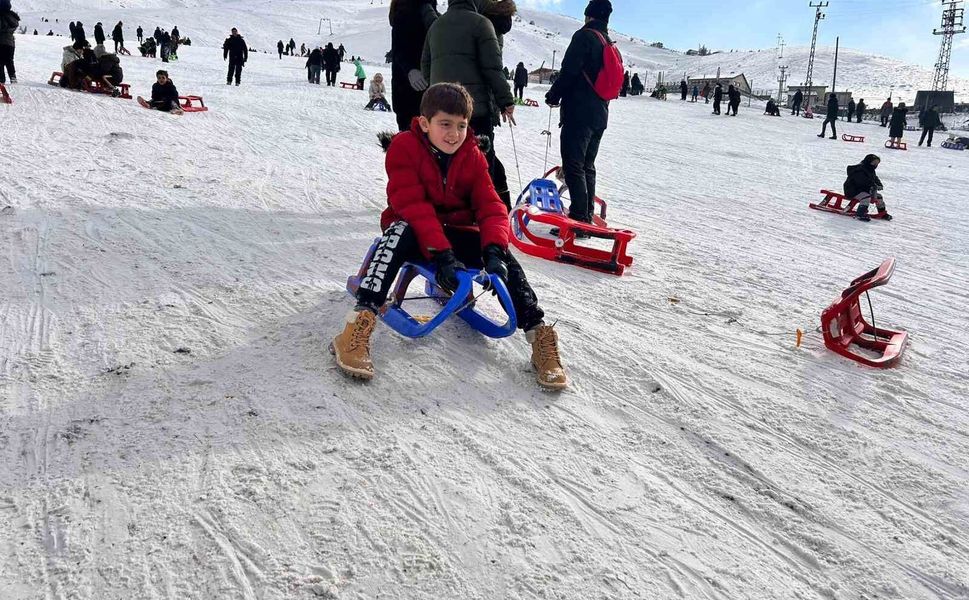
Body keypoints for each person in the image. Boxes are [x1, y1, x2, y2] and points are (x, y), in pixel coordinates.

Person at [331, 82, 568, 389]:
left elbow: (490, 204)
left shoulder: (472, 154)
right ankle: (358, 323)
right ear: (425, 123)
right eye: (445, 124)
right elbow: (413, 206)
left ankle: (538, 333)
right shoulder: (404, 148)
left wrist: (494, 249)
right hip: (415, 231)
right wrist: (442, 255)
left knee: (504, 257)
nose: (454, 134)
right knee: (398, 231)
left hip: (456, 234)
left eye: (461, 125)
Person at [422, 0, 518, 210]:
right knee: (481, 164)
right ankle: (484, 213)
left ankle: (447, 210)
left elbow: (426, 67)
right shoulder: (481, 24)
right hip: (474, 110)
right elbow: (493, 68)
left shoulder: (436, 26)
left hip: (441, 112)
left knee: (445, 160)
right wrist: (506, 101)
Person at [544, 0, 618, 226]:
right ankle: (585, 214)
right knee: (587, 164)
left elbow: (569, 71)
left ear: (588, 15)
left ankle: (578, 217)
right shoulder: (608, 42)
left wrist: (553, 95)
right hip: (600, 113)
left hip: (579, 112)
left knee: (573, 164)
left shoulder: (584, 37)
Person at [390, 0, 440, 132]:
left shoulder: (433, 14)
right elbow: (398, 50)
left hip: (429, 90)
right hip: (408, 89)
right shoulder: (404, 12)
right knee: (410, 138)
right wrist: (410, 70)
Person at [843, 154, 890, 221]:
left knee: (879, 197)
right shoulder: (859, 169)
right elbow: (861, 181)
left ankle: (882, 213)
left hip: (864, 190)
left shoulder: (871, 170)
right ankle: (860, 214)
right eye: (874, 162)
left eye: (877, 163)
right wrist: (873, 185)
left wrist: (879, 184)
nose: (875, 165)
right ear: (868, 161)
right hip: (853, 190)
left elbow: (875, 178)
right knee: (866, 197)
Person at [0, 0, 19, 85]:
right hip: (10, 43)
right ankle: (13, 77)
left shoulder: (1, 16)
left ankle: (1, 79)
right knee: (9, 60)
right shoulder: (13, 17)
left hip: (1, 41)